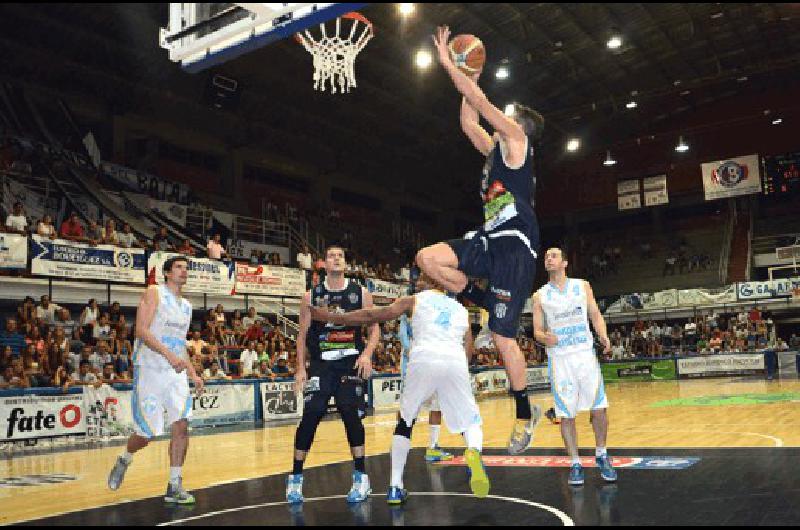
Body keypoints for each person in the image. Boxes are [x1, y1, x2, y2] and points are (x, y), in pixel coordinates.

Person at [415, 26, 544, 455]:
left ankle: (525, 414)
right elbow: (469, 118)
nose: (500, 116)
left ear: (518, 124)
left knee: (504, 338)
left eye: (508, 114)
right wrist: (467, 79)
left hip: (516, 247)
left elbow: (483, 106)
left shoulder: (518, 142)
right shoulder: (493, 150)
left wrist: (453, 67)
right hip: (489, 240)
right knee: (427, 259)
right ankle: (483, 300)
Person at [310, 271, 489, 504]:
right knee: (471, 421)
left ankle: (395, 486)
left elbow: (372, 314)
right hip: (454, 360)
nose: (417, 282)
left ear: (434, 281)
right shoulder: (462, 311)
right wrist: (457, 373)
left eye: (422, 278)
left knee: (405, 422)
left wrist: (334, 317)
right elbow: (469, 347)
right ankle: (474, 451)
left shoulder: (414, 300)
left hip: (423, 358)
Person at [285, 245, 379, 505]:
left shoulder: (360, 293)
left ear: (345, 264)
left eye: (340, 256)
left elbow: (374, 330)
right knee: (311, 415)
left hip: (350, 363)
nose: (336, 259)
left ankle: (361, 477)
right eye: (331, 256)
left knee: (350, 415)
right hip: (321, 364)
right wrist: (300, 368)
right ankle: (295, 478)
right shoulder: (311, 296)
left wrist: (367, 355)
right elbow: (302, 335)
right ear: (323, 264)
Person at [107, 256, 204, 504]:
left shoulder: (187, 306)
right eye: (179, 267)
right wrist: (169, 355)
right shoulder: (154, 293)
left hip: (175, 372)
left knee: (181, 425)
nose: (184, 271)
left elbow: (180, 344)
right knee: (147, 434)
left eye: (186, 268)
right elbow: (141, 330)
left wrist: (193, 374)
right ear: (168, 273)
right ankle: (125, 457)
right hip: (150, 368)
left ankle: (174, 484)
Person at [532, 248, 617, 486]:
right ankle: (575, 463)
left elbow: (595, 314)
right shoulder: (539, 296)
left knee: (599, 408)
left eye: (554, 255)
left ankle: (601, 454)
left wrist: (603, 335)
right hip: (561, 360)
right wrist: (543, 337)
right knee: (566, 415)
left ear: (565, 262)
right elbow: (537, 330)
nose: (548, 259)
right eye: (546, 256)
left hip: (585, 356)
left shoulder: (582, 286)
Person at [397, 268, 452, 463]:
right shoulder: (410, 303)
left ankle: (433, 446)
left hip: (435, 361)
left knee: (436, 406)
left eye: (423, 278)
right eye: (418, 278)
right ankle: (402, 441)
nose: (419, 281)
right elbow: (402, 333)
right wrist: (410, 348)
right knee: (408, 405)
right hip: (413, 362)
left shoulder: (441, 305)